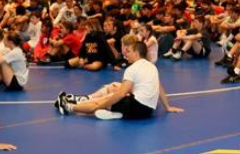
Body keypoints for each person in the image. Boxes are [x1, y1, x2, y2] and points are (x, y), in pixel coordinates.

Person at [55, 35, 183, 119]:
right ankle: (114, 112)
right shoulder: (152, 66)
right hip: (147, 111)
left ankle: (68, 106)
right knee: (111, 95)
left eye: (129, 52)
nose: (126, 54)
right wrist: (167, 107)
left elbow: (121, 94)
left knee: (100, 103)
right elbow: (159, 87)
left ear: (137, 53)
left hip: (137, 108)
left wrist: (102, 104)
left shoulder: (132, 69)